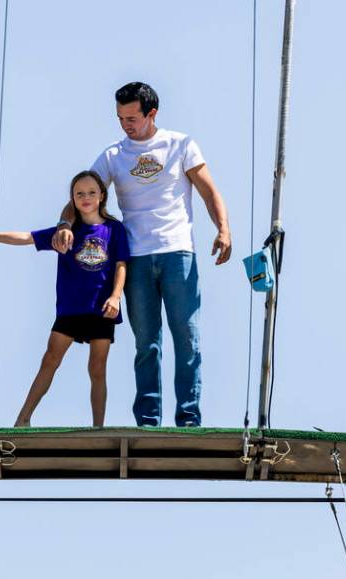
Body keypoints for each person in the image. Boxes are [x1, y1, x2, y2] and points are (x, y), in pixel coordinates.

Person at [53, 81, 231, 428]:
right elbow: (83, 192)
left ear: (152, 114)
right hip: (135, 258)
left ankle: (189, 419)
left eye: (132, 118)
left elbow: (210, 191)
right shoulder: (113, 156)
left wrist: (223, 228)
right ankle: (148, 420)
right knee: (146, 343)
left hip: (177, 252)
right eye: (120, 118)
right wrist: (64, 223)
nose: (126, 125)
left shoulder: (180, 144)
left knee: (187, 337)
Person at [0, 170, 129, 427]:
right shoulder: (66, 233)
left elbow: (121, 265)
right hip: (71, 309)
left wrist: (116, 297)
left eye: (91, 192)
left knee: (97, 368)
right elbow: (28, 237)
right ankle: (23, 418)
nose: (86, 197)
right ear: (72, 198)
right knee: (50, 359)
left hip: (101, 309)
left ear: (102, 196)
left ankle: (98, 428)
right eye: (79, 193)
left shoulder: (114, 229)